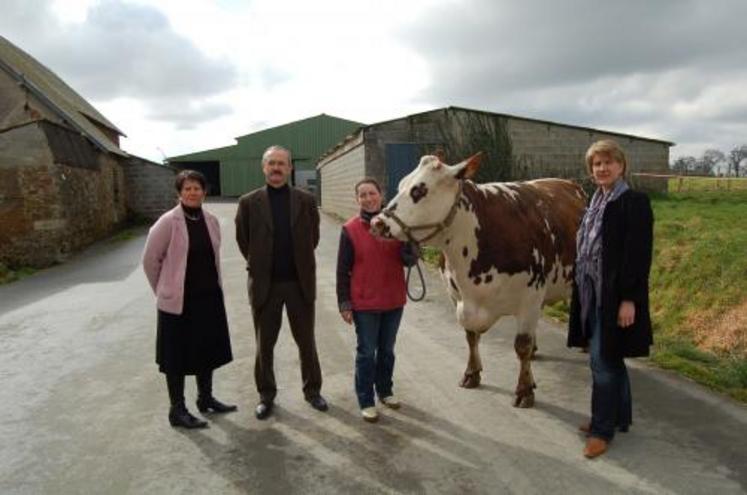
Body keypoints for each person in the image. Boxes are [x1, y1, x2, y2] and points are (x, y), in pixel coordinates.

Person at [568, 139, 654, 458]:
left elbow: (638, 255)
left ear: (621, 166)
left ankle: (602, 430)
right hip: (592, 291)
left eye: (608, 162)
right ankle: (619, 416)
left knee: (602, 361)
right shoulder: (595, 202)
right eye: (596, 164)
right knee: (607, 356)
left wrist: (629, 300)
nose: (602, 168)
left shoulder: (634, 202)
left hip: (615, 294)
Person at [235, 145, 327, 420]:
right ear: (264, 168)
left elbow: (314, 238)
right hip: (266, 286)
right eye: (271, 163)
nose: (276, 168)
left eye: (281, 164)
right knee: (265, 345)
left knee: (306, 342)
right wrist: (260, 264)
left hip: (299, 284)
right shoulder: (249, 202)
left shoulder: (306, 201)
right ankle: (266, 395)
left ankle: (313, 391)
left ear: (290, 168)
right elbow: (243, 240)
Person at [142, 170, 236, 429]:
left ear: (204, 192)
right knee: (176, 355)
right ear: (179, 193)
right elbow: (150, 260)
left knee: (207, 349)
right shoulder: (167, 222)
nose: (193, 192)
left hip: (208, 298)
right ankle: (177, 409)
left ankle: (205, 398)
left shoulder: (211, 220)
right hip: (178, 303)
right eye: (187, 189)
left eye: (197, 188)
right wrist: (164, 290)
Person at [336, 178, 417, 422]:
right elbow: (342, 270)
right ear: (357, 199)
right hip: (365, 303)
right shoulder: (350, 229)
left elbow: (409, 261)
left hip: (393, 299)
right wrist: (344, 303)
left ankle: (385, 390)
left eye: (372, 193)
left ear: (381, 195)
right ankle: (366, 400)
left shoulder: (396, 226)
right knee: (366, 352)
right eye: (363, 195)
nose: (368, 198)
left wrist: (410, 248)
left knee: (387, 351)